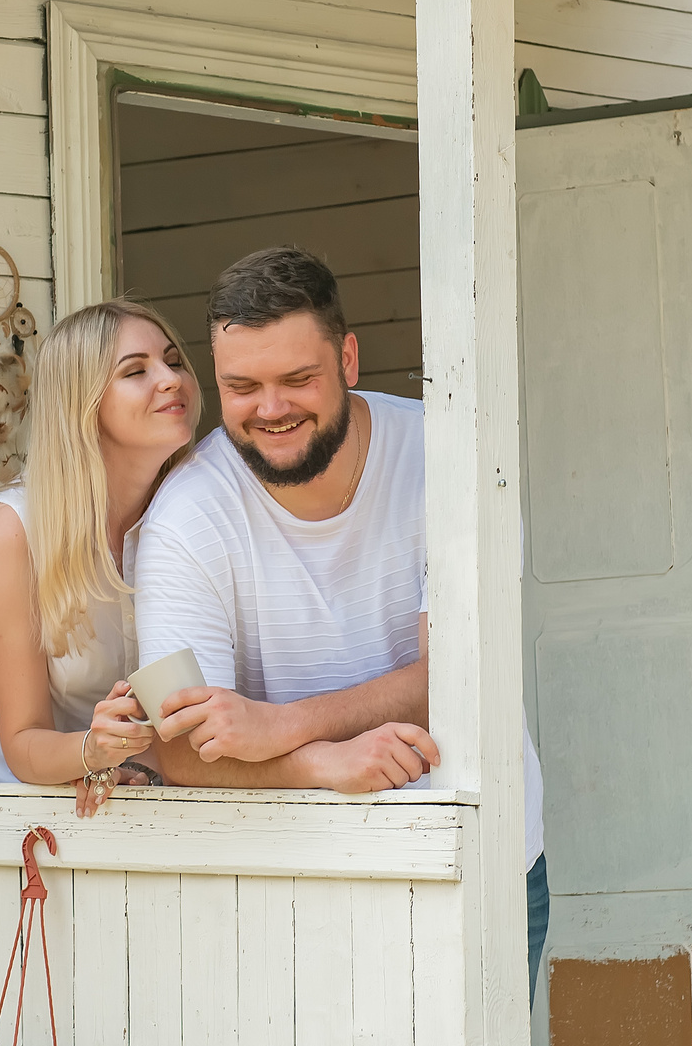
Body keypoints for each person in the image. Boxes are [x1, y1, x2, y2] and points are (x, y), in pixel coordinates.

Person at [132, 247, 551, 993]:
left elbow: (457, 675)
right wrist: (321, 763)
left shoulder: (452, 458)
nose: (272, 407)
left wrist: (283, 724)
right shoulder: (183, 516)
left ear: (348, 357)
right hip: (291, 879)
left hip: (478, 857)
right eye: (242, 386)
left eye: (298, 379)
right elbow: (181, 747)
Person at [0, 300, 200, 815]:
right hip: (8, 800)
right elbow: (22, 741)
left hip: (140, 789)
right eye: (136, 370)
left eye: (174, 360)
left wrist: (138, 759)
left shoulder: (199, 509)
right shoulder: (15, 528)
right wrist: (92, 751)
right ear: (82, 403)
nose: (171, 379)